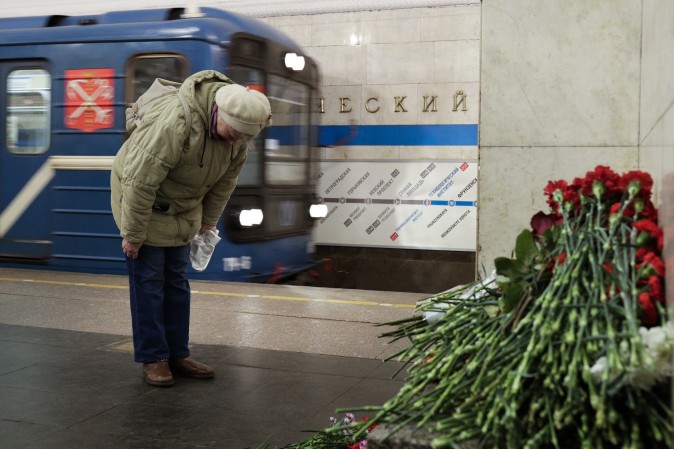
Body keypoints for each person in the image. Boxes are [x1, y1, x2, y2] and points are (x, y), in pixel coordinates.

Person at [110, 70, 272, 387]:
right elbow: (139, 182)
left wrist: (208, 221)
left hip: (183, 207)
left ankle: (177, 354)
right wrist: (133, 234)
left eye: (245, 136)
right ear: (218, 112)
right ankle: (154, 358)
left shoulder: (237, 138)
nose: (237, 139)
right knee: (149, 283)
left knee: (177, 283)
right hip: (144, 201)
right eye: (234, 131)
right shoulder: (175, 124)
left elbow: (225, 183)